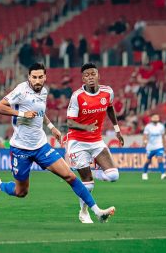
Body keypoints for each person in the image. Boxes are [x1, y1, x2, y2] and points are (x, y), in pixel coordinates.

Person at [0, 63, 115, 223]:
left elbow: (40, 112)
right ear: (29, 77)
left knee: (69, 176)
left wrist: (51, 126)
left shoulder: (44, 91)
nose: (37, 80)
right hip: (21, 149)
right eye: (34, 77)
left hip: (41, 146)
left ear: (45, 77)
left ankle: (97, 212)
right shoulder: (21, 90)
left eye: (40, 77)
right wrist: (22, 113)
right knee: (21, 192)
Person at [65, 63, 124, 224]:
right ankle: (84, 212)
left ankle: (97, 171)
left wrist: (117, 129)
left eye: (93, 74)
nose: (90, 77)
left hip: (96, 141)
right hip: (77, 143)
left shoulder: (107, 92)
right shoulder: (77, 96)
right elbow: (69, 122)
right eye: (87, 75)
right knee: (88, 185)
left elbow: (110, 108)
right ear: (83, 79)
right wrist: (85, 127)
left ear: (98, 75)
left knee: (113, 176)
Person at [142, 114, 166, 180]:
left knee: (160, 158)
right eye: (154, 117)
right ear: (151, 118)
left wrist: (165, 146)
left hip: (159, 146)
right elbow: (145, 135)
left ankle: (163, 174)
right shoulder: (148, 127)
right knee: (148, 160)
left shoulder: (161, 126)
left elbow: (163, 137)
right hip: (150, 146)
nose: (156, 118)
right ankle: (144, 173)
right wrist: (145, 142)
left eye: (157, 117)